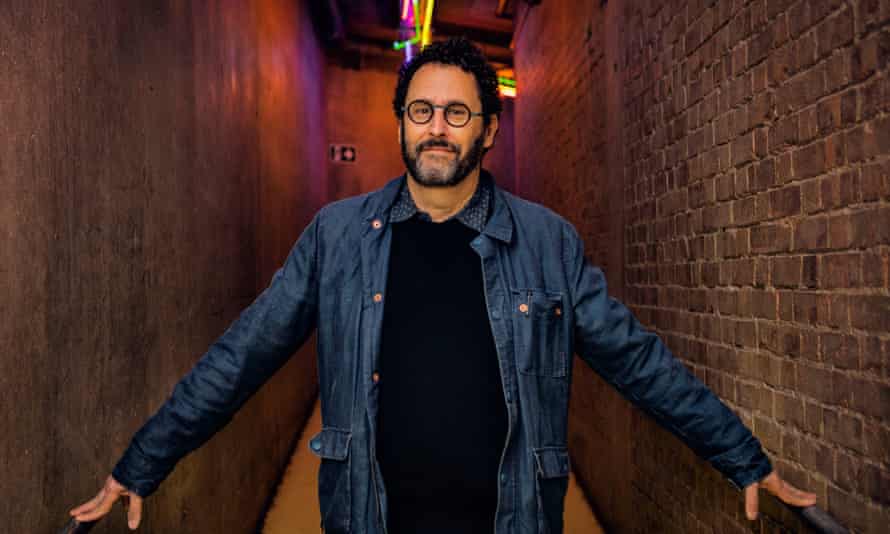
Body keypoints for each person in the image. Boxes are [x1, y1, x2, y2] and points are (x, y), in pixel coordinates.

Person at [70, 37, 816, 533]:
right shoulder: (336, 238)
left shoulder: (546, 241)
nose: (436, 128)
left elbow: (636, 360)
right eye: (421, 112)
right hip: (371, 517)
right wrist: (145, 461)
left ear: (488, 130)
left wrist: (740, 453)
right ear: (400, 124)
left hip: (510, 519)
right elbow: (241, 356)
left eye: (457, 114)